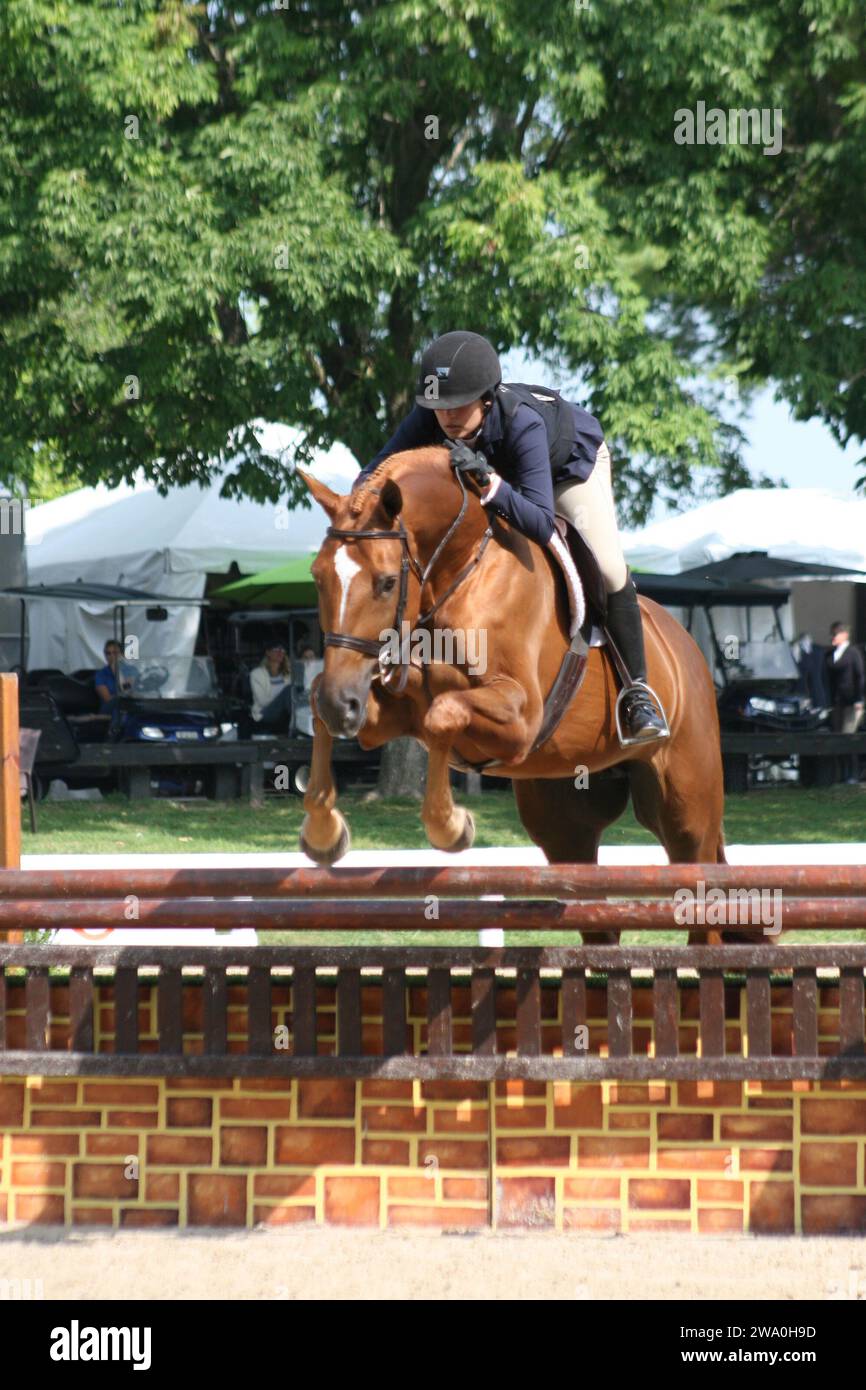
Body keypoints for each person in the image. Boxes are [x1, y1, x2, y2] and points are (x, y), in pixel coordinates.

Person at [353, 330, 667, 743]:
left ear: (486, 397)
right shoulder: (430, 415)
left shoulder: (523, 422)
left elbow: (538, 520)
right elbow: (376, 470)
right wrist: (355, 506)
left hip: (566, 471)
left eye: (458, 404)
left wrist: (490, 482)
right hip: (507, 479)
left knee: (608, 569)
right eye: (438, 406)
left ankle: (638, 695)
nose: (446, 417)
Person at [824, 621, 865, 784]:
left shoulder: (853, 653)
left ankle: (853, 774)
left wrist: (859, 699)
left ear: (844, 635)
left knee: (848, 737)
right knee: (837, 738)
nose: (833, 637)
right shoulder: (831, 654)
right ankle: (840, 773)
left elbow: (860, 676)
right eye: (832, 634)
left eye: (836, 634)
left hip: (851, 702)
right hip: (837, 702)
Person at [249, 643, 294, 733]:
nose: (280, 652)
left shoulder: (289, 674)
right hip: (265, 712)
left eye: (282, 650)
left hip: (284, 713)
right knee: (289, 690)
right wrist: (282, 699)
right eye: (276, 649)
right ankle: (295, 727)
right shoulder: (256, 674)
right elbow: (262, 701)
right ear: (268, 652)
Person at [93, 639, 134, 736]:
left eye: (115, 653)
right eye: (108, 653)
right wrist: (117, 674)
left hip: (129, 704)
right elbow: (107, 698)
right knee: (120, 702)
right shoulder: (101, 674)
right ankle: (113, 733)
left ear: (121, 655)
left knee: (124, 705)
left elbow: (131, 690)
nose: (112, 656)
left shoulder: (131, 670)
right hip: (110, 706)